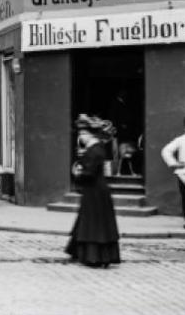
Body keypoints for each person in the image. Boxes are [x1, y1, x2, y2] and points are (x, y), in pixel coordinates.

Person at [65, 115, 120, 268]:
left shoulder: (95, 150)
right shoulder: (95, 148)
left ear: (90, 135)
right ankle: (82, 252)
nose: (80, 136)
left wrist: (78, 173)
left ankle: (95, 257)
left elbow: (89, 173)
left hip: (95, 191)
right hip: (94, 190)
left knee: (94, 223)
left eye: (83, 133)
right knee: (90, 221)